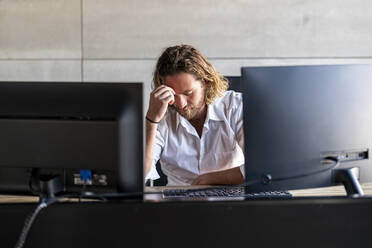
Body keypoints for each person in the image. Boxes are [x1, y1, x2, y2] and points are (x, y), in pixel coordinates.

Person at [145, 44, 244, 186]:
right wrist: (151, 121)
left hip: (227, 199)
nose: (180, 104)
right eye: (173, 94)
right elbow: (141, 176)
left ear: (205, 82)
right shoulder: (162, 114)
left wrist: (210, 179)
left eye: (188, 93)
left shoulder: (234, 106)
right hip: (177, 201)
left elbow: (257, 167)